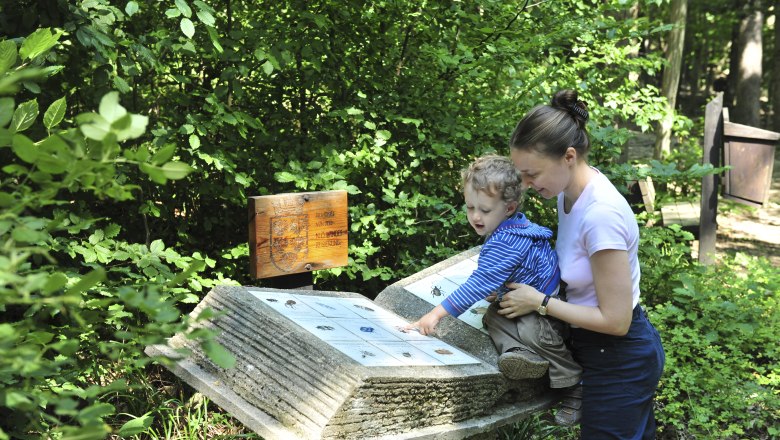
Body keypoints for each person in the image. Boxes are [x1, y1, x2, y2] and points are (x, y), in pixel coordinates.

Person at [498, 89, 665, 438]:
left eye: (532, 174)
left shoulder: (600, 215)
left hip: (620, 358)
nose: (525, 185)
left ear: (569, 156)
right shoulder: (568, 194)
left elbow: (616, 321)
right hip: (595, 350)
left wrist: (540, 303)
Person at [405, 154, 582, 423]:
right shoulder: (508, 226)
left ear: (509, 208)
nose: (475, 216)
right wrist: (498, 287)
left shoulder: (507, 241)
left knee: (531, 330)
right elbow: (501, 272)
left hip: (549, 309)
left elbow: (478, 282)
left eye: (484, 210)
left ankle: (573, 382)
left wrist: (436, 314)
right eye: (469, 207)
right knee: (493, 316)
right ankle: (522, 356)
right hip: (526, 296)